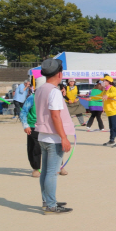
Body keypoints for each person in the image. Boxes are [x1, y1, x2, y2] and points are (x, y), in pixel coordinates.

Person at [33, 59, 74, 214]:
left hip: (43, 135)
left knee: (45, 171)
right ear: (59, 74)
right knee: (52, 172)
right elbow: (56, 116)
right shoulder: (54, 91)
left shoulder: (40, 89)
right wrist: (64, 137)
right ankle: (51, 204)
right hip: (53, 137)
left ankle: (47, 200)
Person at [99, 75, 116, 147]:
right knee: (111, 127)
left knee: (115, 127)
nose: (103, 82)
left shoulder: (112, 88)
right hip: (109, 112)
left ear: (109, 82)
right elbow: (99, 96)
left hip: (114, 111)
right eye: (103, 81)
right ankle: (112, 140)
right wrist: (90, 98)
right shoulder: (104, 90)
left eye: (105, 81)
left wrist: (107, 95)